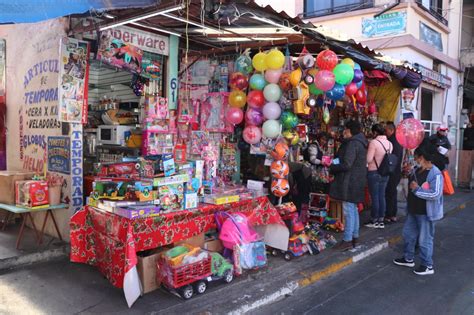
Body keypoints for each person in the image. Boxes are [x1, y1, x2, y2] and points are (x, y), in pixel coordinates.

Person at [393, 142, 443, 275]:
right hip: (413, 210)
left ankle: (427, 265)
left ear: (423, 157)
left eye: (417, 158)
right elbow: (410, 181)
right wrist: (407, 172)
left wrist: (417, 190)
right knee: (408, 235)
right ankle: (408, 258)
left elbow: (435, 194)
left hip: (426, 213)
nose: (415, 160)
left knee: (424, 240)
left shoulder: (435, 173)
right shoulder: (417, 169)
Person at [330, 120, 368, 251]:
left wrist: (333, 167)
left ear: (350, 130)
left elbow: (347, 164)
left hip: (350, 181)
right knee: (353, 209)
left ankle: (347, 240)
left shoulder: (353, 144)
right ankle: (355, 237)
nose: (343, 131)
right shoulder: (359, 143)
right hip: (356, 180)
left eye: (345, 129)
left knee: (349, 210)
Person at [365, 124, 393, 229]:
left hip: (374, 172)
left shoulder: (374, 143)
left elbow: (368, 159)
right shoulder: (390, 144)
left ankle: (374, 220)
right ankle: (381, 220)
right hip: (385, 173)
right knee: (382, 196)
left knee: (375, 197)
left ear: (375, 132)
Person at [384, 122, 403, 223]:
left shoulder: (391, 141)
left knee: (389, 193)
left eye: (386, 130)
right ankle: (393, 214)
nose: (385, 132)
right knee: (392, 192)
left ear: (392, 130)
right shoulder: (399, 141)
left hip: (391, 170)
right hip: (396, 170)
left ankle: (389, 214)